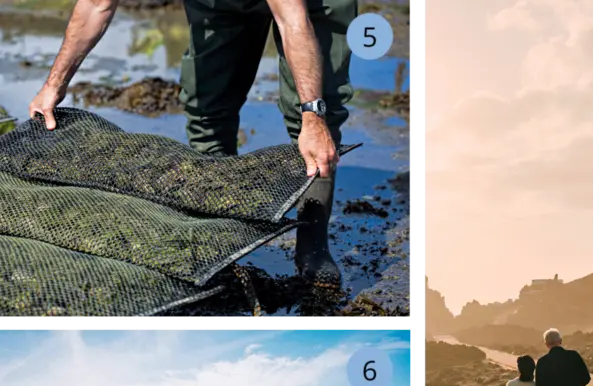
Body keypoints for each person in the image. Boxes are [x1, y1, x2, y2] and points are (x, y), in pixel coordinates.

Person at [28, 0, 356, 290]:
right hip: (221, 5)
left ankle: (313, 245)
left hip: (310, 5)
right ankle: (222, 237)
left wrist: (313, 116)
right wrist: (54, 84)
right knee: (207, 108)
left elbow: (293, 20)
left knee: (318, 116)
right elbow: (96, 5)